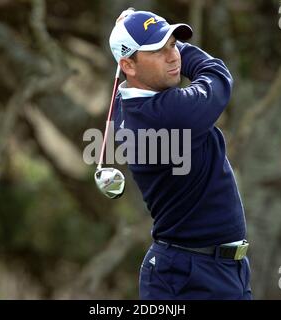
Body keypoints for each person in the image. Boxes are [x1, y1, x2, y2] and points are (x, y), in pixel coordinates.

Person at [109, 10, 252, 300]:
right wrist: (179, 48)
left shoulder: (127, 104)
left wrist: (144, 38)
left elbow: (135, 72)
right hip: (189, 277)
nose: (173, 56)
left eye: (174, 44)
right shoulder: (172, 113)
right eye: (159, 51)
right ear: (128, 65)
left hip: (211, 268)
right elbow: (217, 75)